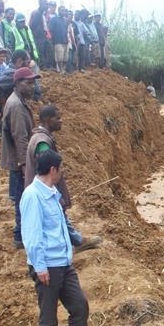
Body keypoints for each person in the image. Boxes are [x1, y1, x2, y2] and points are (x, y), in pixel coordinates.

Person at [20, 149, 104, 326]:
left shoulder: (51, 192)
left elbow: (61, 226)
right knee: (49, 315)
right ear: (53, 170)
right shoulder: (32, 196)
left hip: (64, 262)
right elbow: (32, 235)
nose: (61, 174)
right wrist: (40, 266)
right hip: (47, 266)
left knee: (79, 306)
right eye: (60, 170)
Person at [25, 104, 102, 251]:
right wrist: (55, 192)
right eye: (58, 118)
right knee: (55, 216)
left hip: (43, 188)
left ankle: (76, 240)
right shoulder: (42, 143)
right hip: (44, 190)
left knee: (59, 216)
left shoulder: (42, 138)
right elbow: (47, 170)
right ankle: (73, 243)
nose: (61, 121)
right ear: (47, 119)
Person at [1, 67, 39, 248]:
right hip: (20, 163)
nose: (32, 86)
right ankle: (20, 236)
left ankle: (21, 234)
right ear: (17, 84)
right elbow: (20, 138)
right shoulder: (16, 106)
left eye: (33, 83)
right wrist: (26, 166)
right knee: (22, 199)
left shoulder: (19, 101)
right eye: (28, 83)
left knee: (21, 197)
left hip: (18, 161)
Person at [29, 0, 50, 69]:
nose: (47, 6)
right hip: (38, 37)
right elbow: (32, 26)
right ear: (40, 4)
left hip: (44, 36)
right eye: (45, 4)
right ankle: (42, 67)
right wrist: (38, 32)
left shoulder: (43, 14)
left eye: (47, 4)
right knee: (40, 52)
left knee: (45, 51)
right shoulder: (37, 13)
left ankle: (45, 66)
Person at [49, 7, 68, 73]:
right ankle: (61, 70)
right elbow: (50, 30)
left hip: (65, 41)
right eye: (62, 10)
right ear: (58, 11)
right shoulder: (53, 19)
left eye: (64, 11)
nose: (63, 12)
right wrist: (51, 40)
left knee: (65, 57)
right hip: (57, 41)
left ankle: (63, 70)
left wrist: (67, 40)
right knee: (59, 57)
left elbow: (66, 30)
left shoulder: (65, 20)